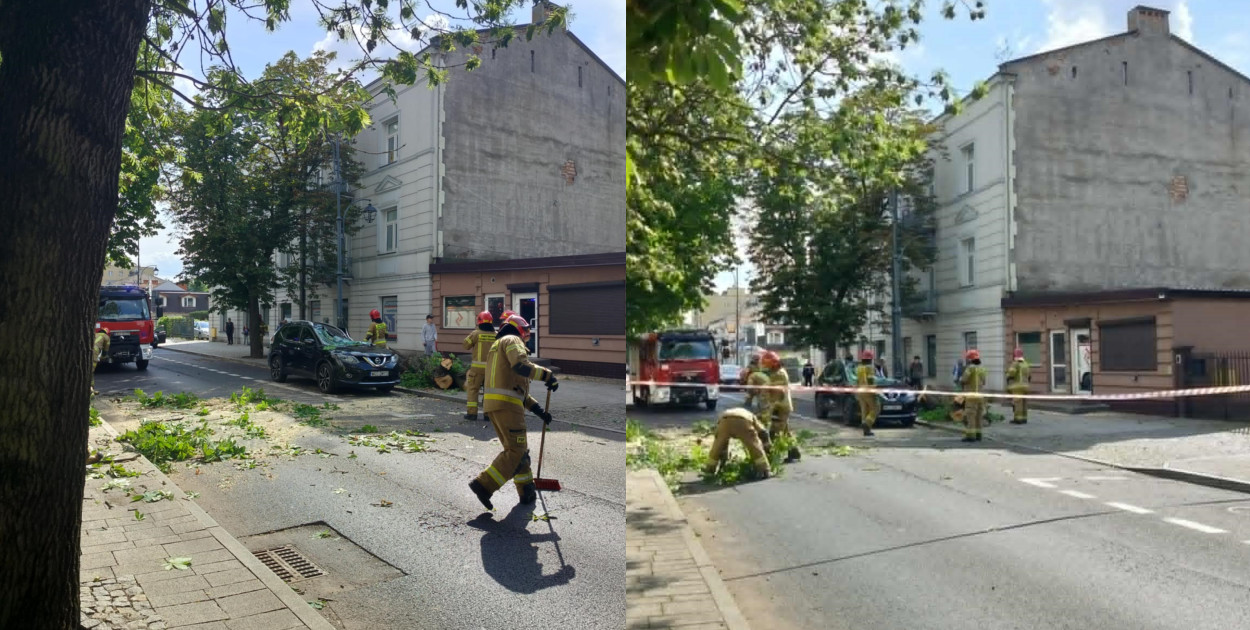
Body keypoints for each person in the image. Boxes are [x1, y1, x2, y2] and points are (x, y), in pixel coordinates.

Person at [469, 314, 559, 510]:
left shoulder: (497, 346)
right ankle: (483, 485)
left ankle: (526, 490)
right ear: (519, 329)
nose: (527, 336)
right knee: (516, 450)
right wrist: (547, 375)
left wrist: (538, 410)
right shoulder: (512, 340)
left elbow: (516, 388)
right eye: (526, 331)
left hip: (497, 405)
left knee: (518, 451)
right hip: (508, 406)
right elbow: (521, 365)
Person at [703, 407, 773, 480]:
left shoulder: (732, 412)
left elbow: (723, 445)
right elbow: (763, 432)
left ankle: (709, 470)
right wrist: (767, 446)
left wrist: (723, 462)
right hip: (742, 421)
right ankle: (764, 470)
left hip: (724, 420)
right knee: (754, 446)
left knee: (717, 447)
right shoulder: (752, 416)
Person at [759, 350, 799, 462]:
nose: (766, 367)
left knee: (774, 432)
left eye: (767, 364)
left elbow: (776, 393)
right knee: (785, 431)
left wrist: (769, 410)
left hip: (780, 407)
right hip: (780, 406)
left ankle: (771, 456)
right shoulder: (776, 373)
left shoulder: (779, 374)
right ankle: (794, 452)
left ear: (773, 363)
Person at [462, 311, 497, 420]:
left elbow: (465, 345)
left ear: (479, 321)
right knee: (489, 392)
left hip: (476, 370)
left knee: (473, 390)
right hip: (491, 369)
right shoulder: (496, 334)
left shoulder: (476, 334)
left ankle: (472, 414)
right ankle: (488, 414)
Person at [960, 349, 988, 442]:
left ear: (970, 359)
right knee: (979, 415)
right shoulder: (982, 368)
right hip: (980, 396)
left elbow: (964, 379)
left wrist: (960, 379)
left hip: (971, 396)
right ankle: (978, 434)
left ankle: (971, 436)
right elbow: (984, 382)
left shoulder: (970, 368)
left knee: (971, 415)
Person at [855, 349, 880, 436]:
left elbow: (857, 381)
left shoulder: (859, 368)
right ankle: (867, 423)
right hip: (868, 390)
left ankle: (866, 430)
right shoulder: (869, 368)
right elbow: (870, 380)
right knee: (875, 408)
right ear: (870, 359)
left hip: (860, 391)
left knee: (864, 410)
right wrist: (875, 389)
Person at [1006, 347, 1031, 424]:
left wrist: (1007, 375)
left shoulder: (1015, 363)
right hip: (1026, 386)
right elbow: (1029, 376)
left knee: (1018, 403)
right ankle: (1024, 418)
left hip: (1017, 386)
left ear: (1015, 355)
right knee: (1024, 402)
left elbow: (1011, 374)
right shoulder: (1026, 364)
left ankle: (1018, 419)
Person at [92, 324, 110, 396]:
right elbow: (106, 349)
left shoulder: (95, 334)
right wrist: (104, 356)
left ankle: (90, 389)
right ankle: (91, 390)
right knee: (91, 370)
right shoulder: (106, 337)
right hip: (94, 353)